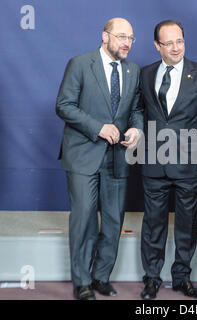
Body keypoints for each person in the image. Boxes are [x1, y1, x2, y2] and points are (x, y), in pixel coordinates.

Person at [56, 18, 143, 300]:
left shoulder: (133, 70)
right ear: (104, 37)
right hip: (83, 154)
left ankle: (100, 277)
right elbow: (64, 105)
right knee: (83, 219)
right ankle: (81, 281)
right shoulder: (80, 64)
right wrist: (98, 128)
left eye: (130, 38)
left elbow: (137, 109)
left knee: (114, 220)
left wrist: (137, 129)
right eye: (121, 37)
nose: (127, 43)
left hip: (117, 156)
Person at [139, 20, 197, 300]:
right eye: (169, 43)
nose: (176, 48)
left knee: (187, 223)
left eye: (180, 41)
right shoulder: (145, 73)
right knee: (153, 223)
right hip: (153, 161)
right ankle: (151, 278)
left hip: (189, 163)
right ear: (157, 45)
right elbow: (139, 112)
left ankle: (181, 278)